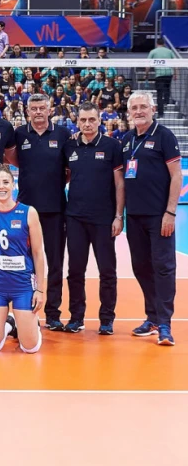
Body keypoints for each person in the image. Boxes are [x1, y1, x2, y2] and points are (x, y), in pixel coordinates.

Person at [122, 91, 182, 346]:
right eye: (134, 107)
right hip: (134, 218)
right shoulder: (126, 140)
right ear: (129, 112)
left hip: (159, 217)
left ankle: (165, 324)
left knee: (163, 268)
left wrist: (170, 212)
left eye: (143, 106)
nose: (139, 111)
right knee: (141, 267)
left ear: (153, 109)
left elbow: (177, 175)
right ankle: (153, 317)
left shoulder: (164, 136)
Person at [63, 102, 124, 334]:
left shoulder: (112, 146)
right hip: (75, 218)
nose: (87, 124)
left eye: (91, 119)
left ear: (99, 121)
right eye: (83, 120)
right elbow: (66, 176)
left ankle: (106, 319)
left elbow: (120, 183)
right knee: (75, 271)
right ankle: (76, 317)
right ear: (77, 122)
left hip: (103, 219)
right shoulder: (70, 146)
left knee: (107, 271)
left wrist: (118, 216)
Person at [12, 94, 71, 331]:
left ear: (49, 110)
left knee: (55, 263)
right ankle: (25, 313)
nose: (38, 112)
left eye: (42, 108)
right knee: (24, 263)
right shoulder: (19, 134)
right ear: (28, 111)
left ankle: (53, 313)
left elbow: (69, 169)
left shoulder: (63, 134)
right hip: (26, 210)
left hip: (55, 209)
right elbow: (13, 159)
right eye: (34, 108)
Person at [0, 165, 45, 354]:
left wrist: (40, 289)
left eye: (5, 182)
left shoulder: (28, 212)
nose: (1, 186)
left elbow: (38, 253)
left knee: (30, 348)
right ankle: (10, 323)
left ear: (13, 185)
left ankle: (32, 326)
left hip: (22, 284)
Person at [146, 38, 176, 118]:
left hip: (159, 75)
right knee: (167, 89)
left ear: (157, 43)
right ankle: (166, 102)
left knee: (159, 94)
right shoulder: (169, 51)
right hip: (169, 74)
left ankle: (160, 113)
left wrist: (146, 74)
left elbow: (147, 64)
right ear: (164, 43)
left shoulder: (153, 52)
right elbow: (175, 63)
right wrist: (176, 73)